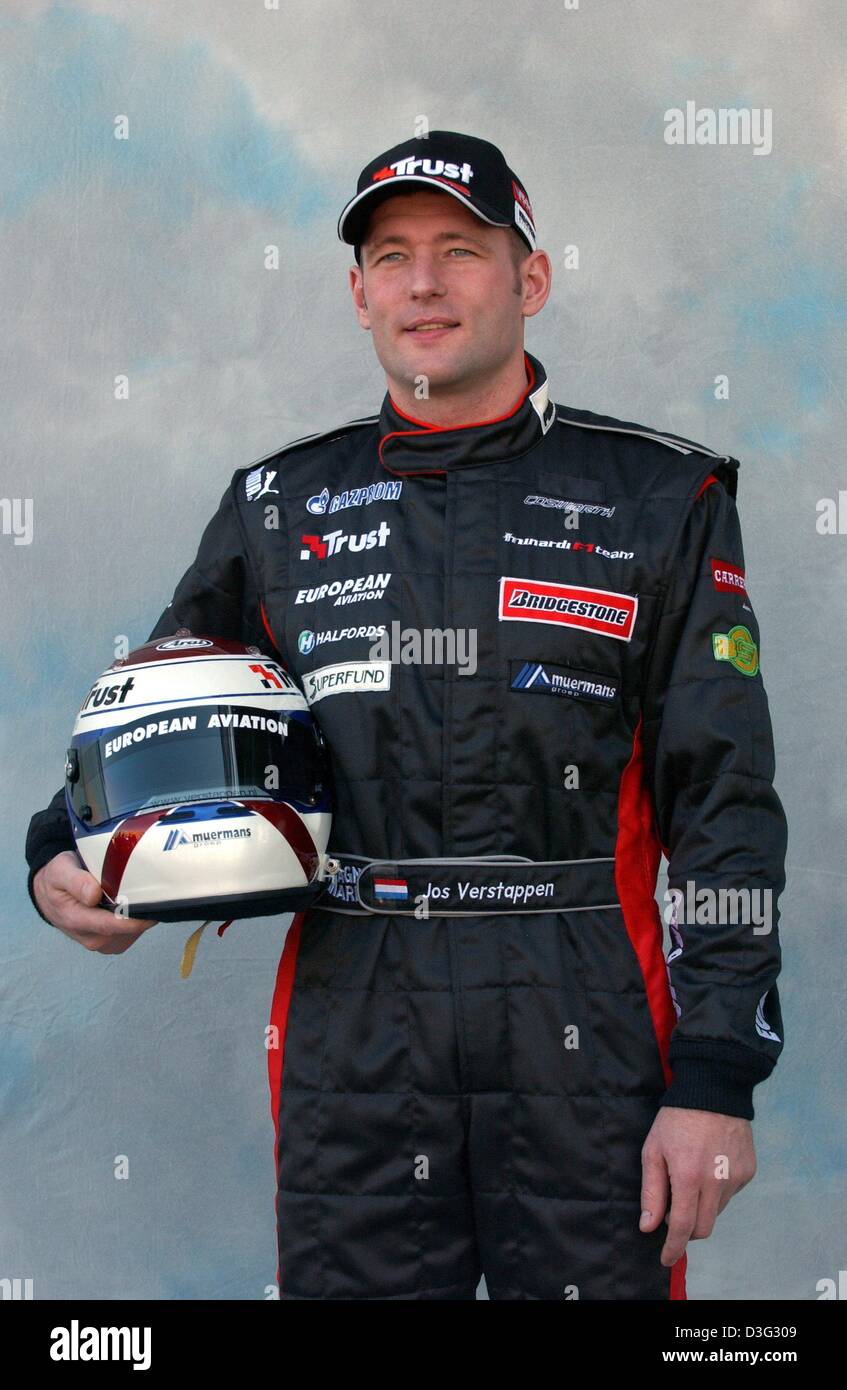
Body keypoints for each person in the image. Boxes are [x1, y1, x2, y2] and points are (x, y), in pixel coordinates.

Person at [25, 130, 787, 1301]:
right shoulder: (280, 504)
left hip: (585, 1005)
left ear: (529, 278)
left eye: (459, 250)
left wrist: (717, 1075)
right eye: (392, 257)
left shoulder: (656, 496)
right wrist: (56, 854)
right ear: (359, 293)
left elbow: (725, 797)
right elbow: (154, 718)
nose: (423, 284)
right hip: (356, 1013)